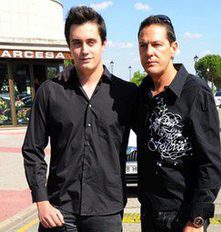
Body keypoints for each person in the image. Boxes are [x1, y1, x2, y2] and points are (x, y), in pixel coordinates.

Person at [22, 6, 139, 231]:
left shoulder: (126, 94)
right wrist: (41, 201)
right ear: (69, 47)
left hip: (106, 210)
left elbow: (152, 139)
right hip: (58, 210)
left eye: (91, 42)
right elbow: (32, 149)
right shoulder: (50, 91)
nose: (84, 50)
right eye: (77, 43)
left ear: (104, 44)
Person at [133, 15, 221, 231]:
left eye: (157, 44)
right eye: (143, 46)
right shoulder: (140, 95)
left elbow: (210, 163)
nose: (149, 52)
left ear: (173, 48)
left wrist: (197, 220)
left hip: (183, 215)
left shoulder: (196, 92)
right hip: (149, 212)